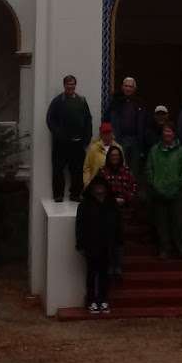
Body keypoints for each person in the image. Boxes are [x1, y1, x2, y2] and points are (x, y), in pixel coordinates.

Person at [75, 173, 122, 314]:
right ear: (92, 188)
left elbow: (118, 224)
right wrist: (80, 243)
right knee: (91, 273)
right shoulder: (85, 205)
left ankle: (103, 299)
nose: (99, 189)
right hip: (91, 244)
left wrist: (118, 241)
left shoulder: (111, 204)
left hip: (107, 244)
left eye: (102, 186)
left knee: (104, 274)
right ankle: (91, 300)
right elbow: (80, 225)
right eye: (97, 186)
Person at [145, 121, 182, 260]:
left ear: (174, 134)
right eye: (165, 131)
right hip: (159, 193)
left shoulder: (181, 151)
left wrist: (176, 186)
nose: (167, 133)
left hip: (176, 193)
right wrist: (156, 186)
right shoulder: (154, 150)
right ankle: (164, 249)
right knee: (161, 224)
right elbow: (148, 170)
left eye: (169, 131)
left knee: (178, 223)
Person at [46, 74, 92, 203]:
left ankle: (76, 194)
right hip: (61, 143)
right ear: (64, 85)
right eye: (68, 83)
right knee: (58, 169)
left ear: (75, 85)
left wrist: (87, 138)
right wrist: (59, 134)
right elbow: (50, 120)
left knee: (77, 169)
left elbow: (88, 119)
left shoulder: (82, 101)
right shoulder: (57, 101)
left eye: (72, 84)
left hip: (78, 143)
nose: (70, 86)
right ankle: (58, 195)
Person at [101, 142, 137, 278]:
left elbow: (133, 188)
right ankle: (110, 265)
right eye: (112, 155)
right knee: (108, 239)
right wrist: (111, 200)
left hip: (122, 210)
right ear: (109, 157)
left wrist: (125, 199)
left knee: (119, 240)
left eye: (117, 155)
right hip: (107, 210)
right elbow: (99, 190)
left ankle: (118, 265)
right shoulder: (103, 171)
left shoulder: (126, 171)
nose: (115, 157)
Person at [103, 76, 148, 178]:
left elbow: (145, 124)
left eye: (130, 86)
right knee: (118, 169)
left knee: (134, 171)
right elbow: (106, 120)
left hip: (136, 142)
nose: (128, 88)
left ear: (134, 89)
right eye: (126, 86)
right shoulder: (115, 102)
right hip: (119, 141)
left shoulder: (140, 103)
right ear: (122, 87)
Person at [82, 120, 117, 187]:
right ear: (101, 134)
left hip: (114, 186)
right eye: (104, 133)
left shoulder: (118, 148)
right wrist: (87, 183)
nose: (107, 135)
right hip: (96, 186)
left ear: (112, 134)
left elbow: (122, 167)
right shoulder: (93, 149)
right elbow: (87, 168)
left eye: (109, 133)